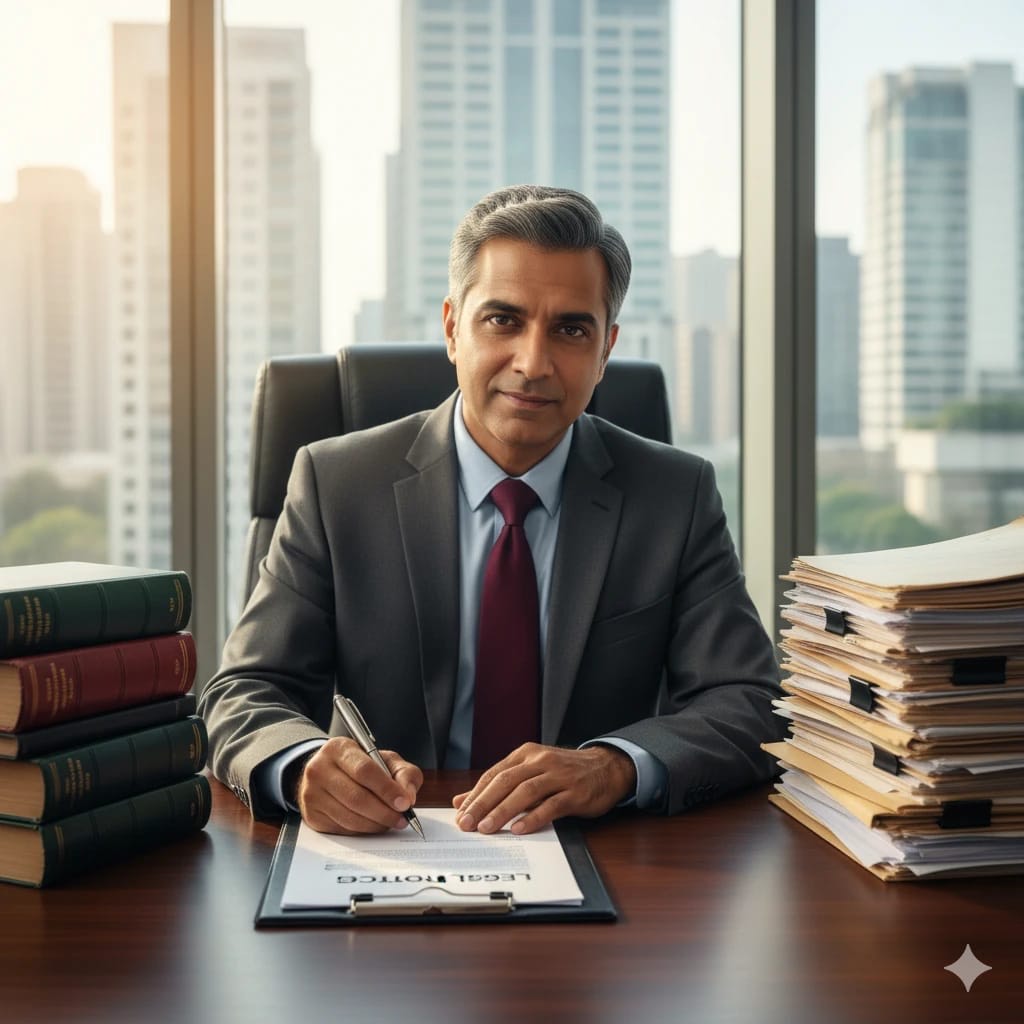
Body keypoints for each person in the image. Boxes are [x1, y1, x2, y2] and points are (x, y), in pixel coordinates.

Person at [199, 184, 783, 837]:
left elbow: (751, 702)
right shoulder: (337, 484)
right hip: (389, 849)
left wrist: (614, 767)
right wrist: (303, 764)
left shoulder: (675, 495)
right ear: (453, 328)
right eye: (503, 320)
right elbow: (242, 693)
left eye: (570, 329)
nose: (533, 364)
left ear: (605, 351)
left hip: (603, 858)